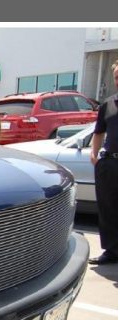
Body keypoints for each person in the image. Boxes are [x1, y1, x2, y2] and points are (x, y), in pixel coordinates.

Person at [89, 60, 118, 265]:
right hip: (110, 165)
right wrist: (95, 154)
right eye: (117, 77)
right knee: (108, 209)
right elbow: (99, 132)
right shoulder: (108, 104)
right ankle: (111, 251)